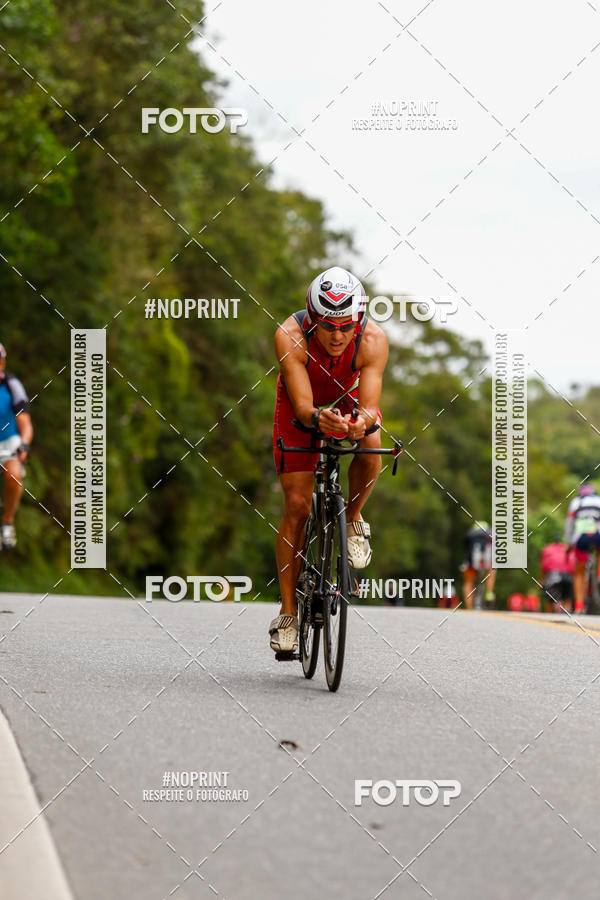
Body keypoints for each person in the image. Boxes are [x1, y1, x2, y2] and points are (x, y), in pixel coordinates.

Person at [269, 266, 388, 653]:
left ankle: (352, 517)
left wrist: (361, 424)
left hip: (349, 400)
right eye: (327, 326)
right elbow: (303, 407)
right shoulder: (290, 335)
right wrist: (317, 418)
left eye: (345, 326)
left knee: (372, 443)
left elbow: (370, 407)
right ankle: (288, 612)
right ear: (312, 318)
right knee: (299, 506)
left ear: (358, 319)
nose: (337, 336)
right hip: (301, 406)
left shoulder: (372, 339)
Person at [0, 342, 33, 549]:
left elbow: (26, 425)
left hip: (9, 439)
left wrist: (24, 446)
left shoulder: (12, 385)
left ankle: (7, 522)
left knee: (14, 475)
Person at [565, 484, 600, 613]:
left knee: (579, 573)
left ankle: (579, 605)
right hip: (598, 535)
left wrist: (568, 543)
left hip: (581, 538)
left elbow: (569, 524)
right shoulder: (598, 500)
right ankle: (599, 573)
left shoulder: (576, 502)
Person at [461, 520, 496, 610]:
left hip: (471, 562)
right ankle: (489, 592)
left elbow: (465, 547)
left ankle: (469, 607)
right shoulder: (490, 533)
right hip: (487, 561)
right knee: (492, 568)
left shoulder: (471, 534)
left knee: (468, 582)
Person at [540, 539, 574, 612]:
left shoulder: (547, 549)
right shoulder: (567, 548)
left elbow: (543, 567)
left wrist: (542, 580)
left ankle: (549, 615)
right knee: (567, 598)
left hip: (553, 577)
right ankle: (567, 613)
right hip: (568, 577)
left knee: (549, 599)